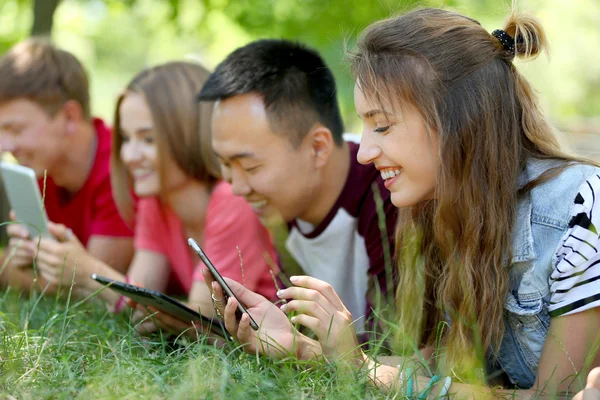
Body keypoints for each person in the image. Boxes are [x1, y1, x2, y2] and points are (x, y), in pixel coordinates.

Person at [205, 8, 600, 397]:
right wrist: (306, 348)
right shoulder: (446, 211)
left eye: (382, 126)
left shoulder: (582, 208)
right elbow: (435, 371)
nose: (364, 151)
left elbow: (555, 396)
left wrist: (359, 367)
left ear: (460, 121)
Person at [197, 39, 397, 341]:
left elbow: (407, 356)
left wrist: (303, 350)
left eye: (250, 168)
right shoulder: (285, 206)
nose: (237, 187)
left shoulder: (389, 195)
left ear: (318, 147)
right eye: (224, 164)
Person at [100, 61, 277, 335]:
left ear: (189, 132)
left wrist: (83, 268)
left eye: (147, 140)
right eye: (125, 138)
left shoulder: (232, 199)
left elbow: (203, 317)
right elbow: (140, 294)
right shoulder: (156, 202)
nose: (130, 156)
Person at [0, 38, 134, 295]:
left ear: (69, 117)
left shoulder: (120, 168)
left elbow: (89, 287)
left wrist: (16, 271)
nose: (4, 145)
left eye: (15, 129)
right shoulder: (40, 168)